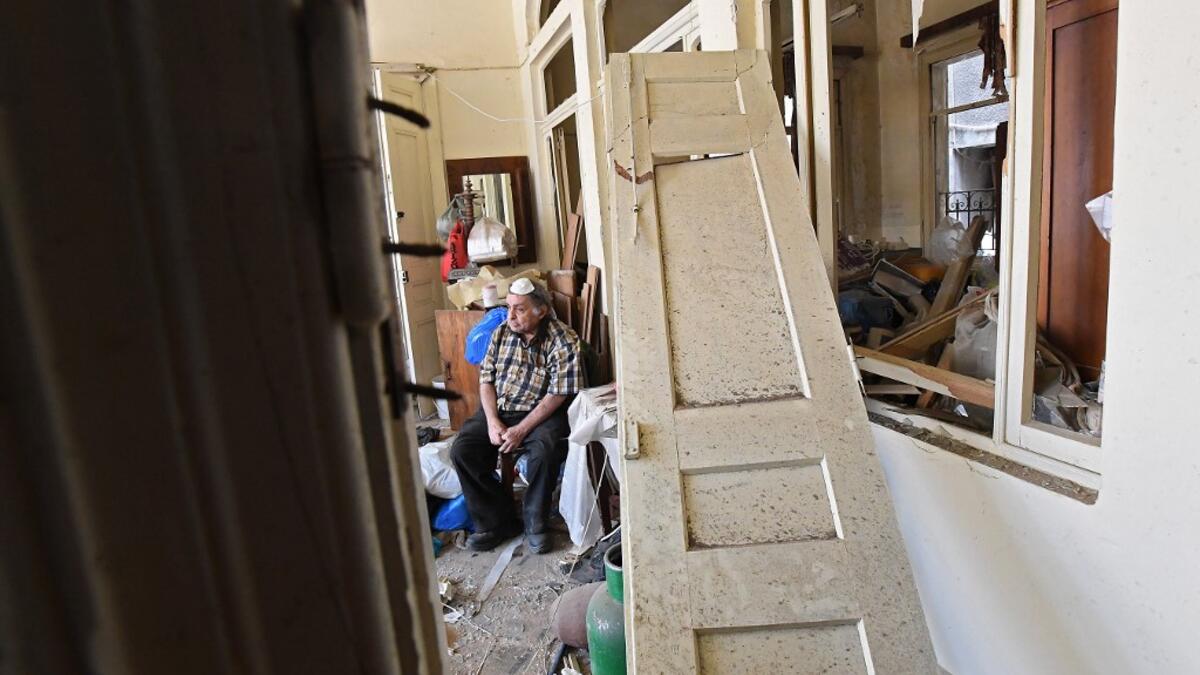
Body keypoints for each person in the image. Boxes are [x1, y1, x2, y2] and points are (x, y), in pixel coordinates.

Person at [450, 278, 583, 554]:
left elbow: (558, 395)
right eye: (508, 307)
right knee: (462, 450)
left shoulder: (563, 339)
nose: (510, 315)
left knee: (545, 451)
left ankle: (536, 522)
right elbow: (486, 381)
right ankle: (496, 521)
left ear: (541, 311)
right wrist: (492, 421)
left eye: (519, 309)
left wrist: (521, 429)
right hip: (502, 408)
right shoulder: (501, 333)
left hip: (542, 413)